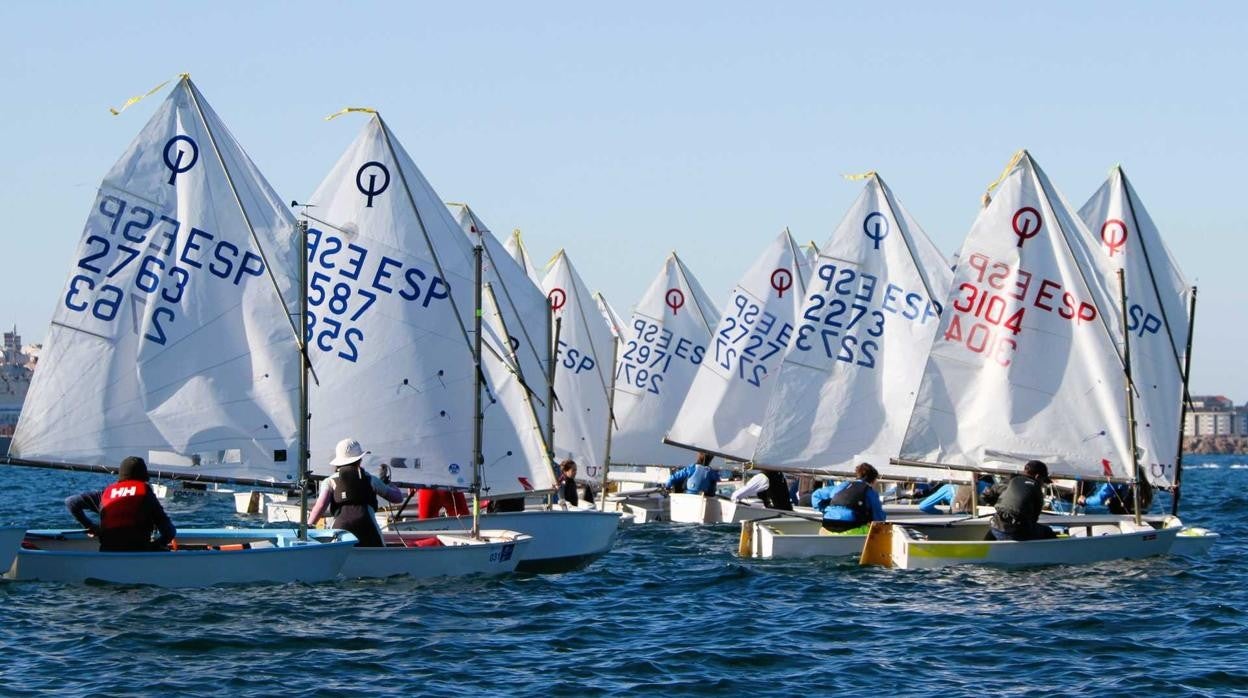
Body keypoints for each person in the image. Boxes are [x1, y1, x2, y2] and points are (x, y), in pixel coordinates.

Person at [308, 438, 408, 547]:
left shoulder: (330, 481)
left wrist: (309, 525)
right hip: (368, 528)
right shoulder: (371, 479)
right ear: (360, 460)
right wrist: (387, 482)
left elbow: (321, 506)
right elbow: (397, 498)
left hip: (341, 529)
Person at [65, 456, 176, 552]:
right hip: (138, 552)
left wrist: (91, 526)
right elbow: (169, 532)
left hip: (107, 551)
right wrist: (156, 545)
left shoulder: (105, 493)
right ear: (143, 477)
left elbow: (71, 502)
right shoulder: (145, 493)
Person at [980, 460, 1056, 541]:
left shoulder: (1011, 479)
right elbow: (1034, 519)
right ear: (1037, 476)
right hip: (1018, 533)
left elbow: (984, 496)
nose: (1043, 483)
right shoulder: (1036, 488)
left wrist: (1002, 507)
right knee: (1048, 531)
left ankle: (983, 548)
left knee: (996, 525)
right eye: (1043, 480)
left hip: (997, 528)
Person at [811, 463, 886, 534]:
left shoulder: (843, 485)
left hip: (826, 528)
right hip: (851, 530)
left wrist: (827, 510)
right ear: (873, 481)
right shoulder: (870, 492)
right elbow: (879, 519)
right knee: (874, 531)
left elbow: (816, 496)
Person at [917, 475, 993, 514]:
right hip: (977, 519)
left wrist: (940, 512)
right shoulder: (984, 485)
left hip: (955, 521)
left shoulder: (948, 488)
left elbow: (923, 506)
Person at [1078, 479, 1154, 515]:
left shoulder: (1117, 479)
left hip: (1124, 512)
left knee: (1109, 501)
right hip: (1142, 512)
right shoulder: (1142, 476)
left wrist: (1085, 501)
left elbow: (1100, 499)